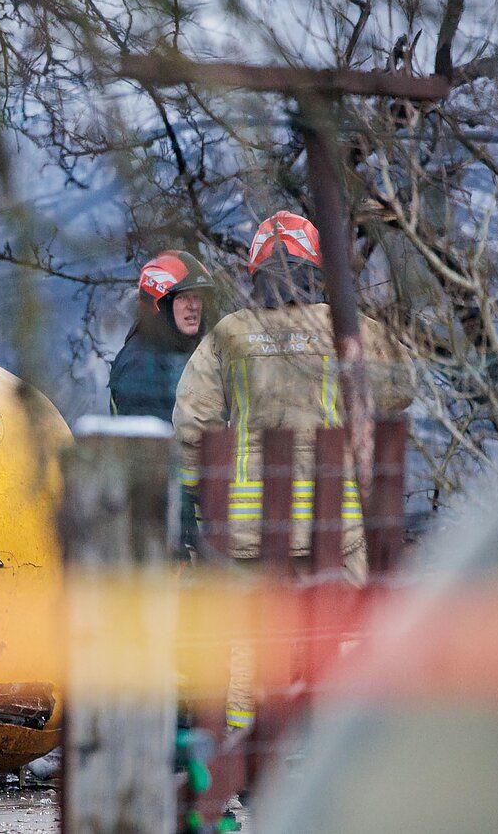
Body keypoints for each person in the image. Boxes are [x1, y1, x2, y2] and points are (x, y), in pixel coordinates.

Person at [172, 210, 413, 730]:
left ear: (256, 271)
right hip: (337, 526)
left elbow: (191, 426)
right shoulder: (349, 331)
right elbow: (402, 387)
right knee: (343, 637)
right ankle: (331, 760)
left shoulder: (229, 335)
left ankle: (245, 757)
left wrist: (199, 501)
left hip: (249, 529)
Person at [109, 250, 216, 419]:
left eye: (197, 297)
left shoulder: (191, 352)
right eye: (183, 297)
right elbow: (150, 441)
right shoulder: (140, 365)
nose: (193, 306)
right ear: (160, 306)